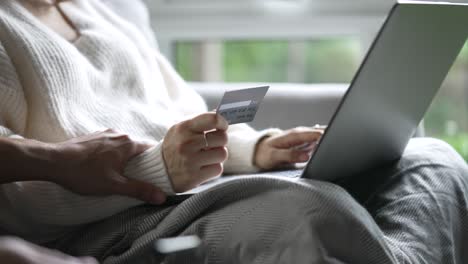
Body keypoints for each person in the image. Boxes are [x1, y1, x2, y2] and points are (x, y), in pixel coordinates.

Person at [0, 0, 467, 263]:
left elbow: (179, 111)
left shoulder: (97, 11)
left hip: (196, 189)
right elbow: (19, 192)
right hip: (108, 222)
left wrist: (257, 149)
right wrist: (156, 169)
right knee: (311, 209)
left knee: (434, 161)